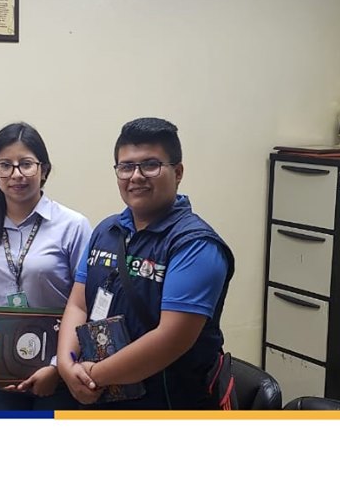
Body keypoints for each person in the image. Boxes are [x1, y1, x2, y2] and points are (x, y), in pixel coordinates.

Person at [56, 117, 235, 409]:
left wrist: (93, 376)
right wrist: (66, 363)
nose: (136, 176)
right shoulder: (106, 231)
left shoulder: (195, 245)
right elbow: (79, 305)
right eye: (126, 167)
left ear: (178, 172)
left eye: (150, 165)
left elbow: (170, 339)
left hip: (167, 405)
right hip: (99, 396)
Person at [0, 122, 92, 411]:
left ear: (44, 170)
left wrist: (58, 367)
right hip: (0, 379)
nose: (16, 174)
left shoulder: (73, 226)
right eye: (5, 165)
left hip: (59, 377)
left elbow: (88, 305)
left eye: (26, 164)